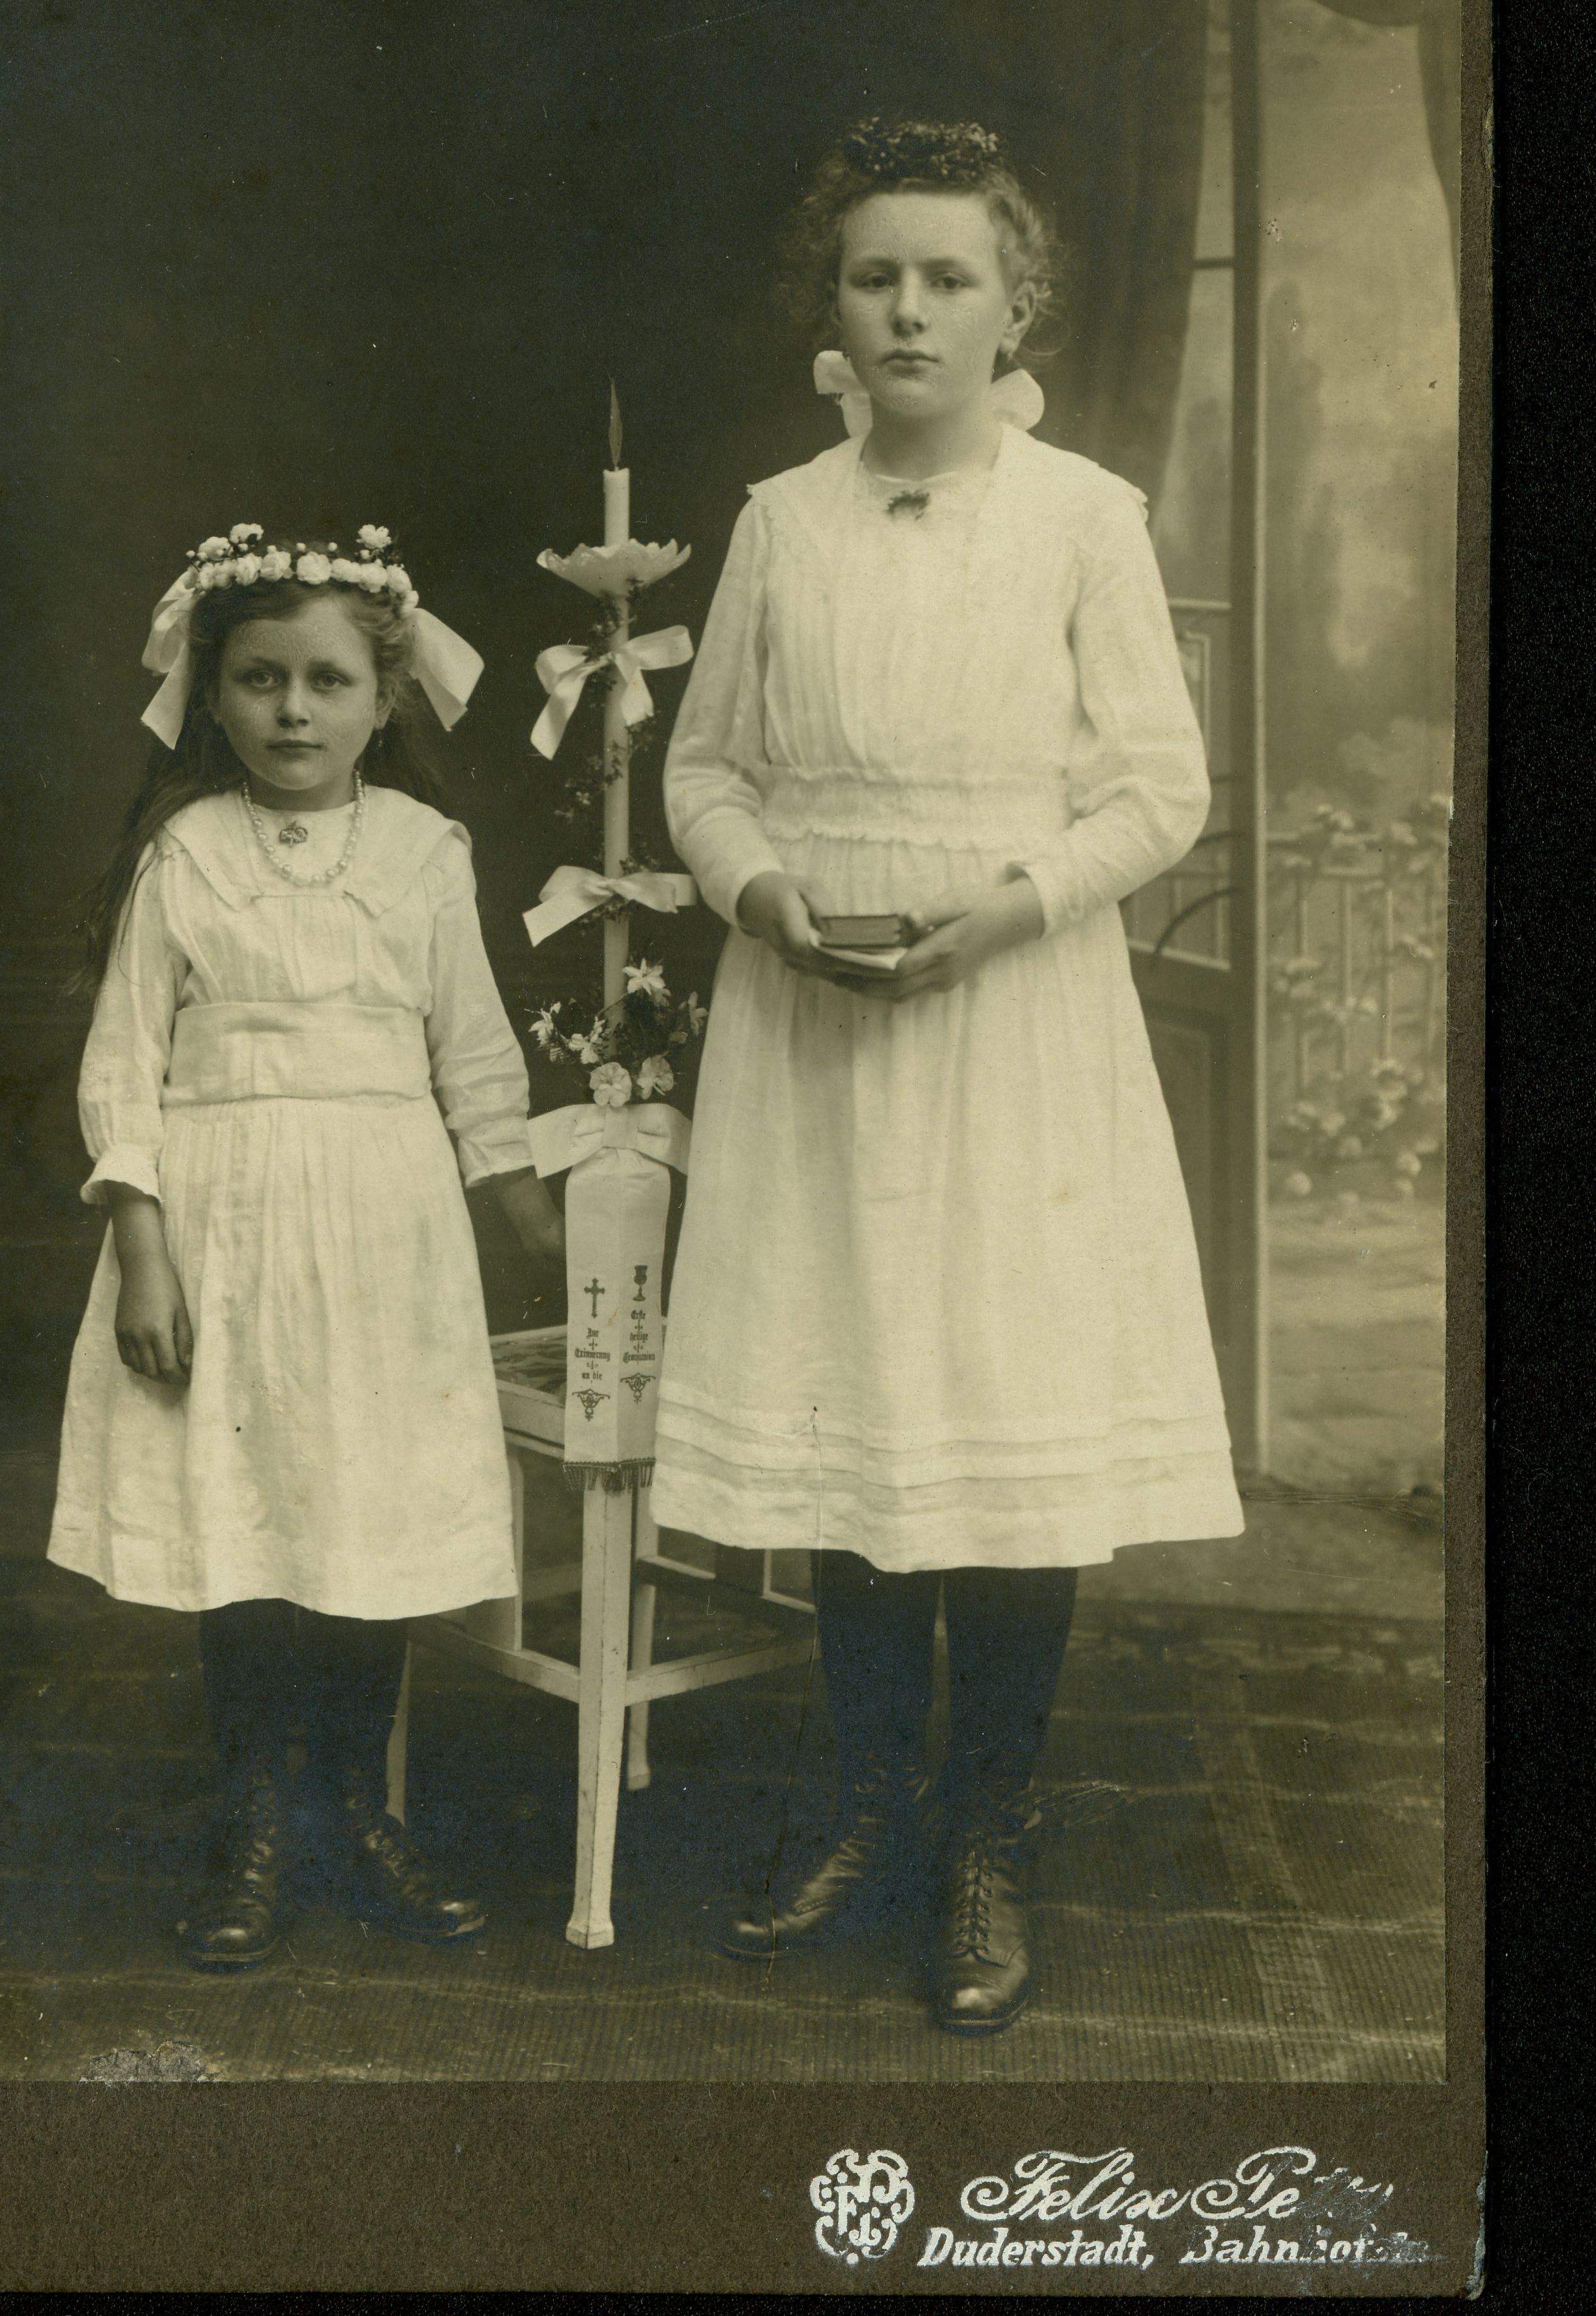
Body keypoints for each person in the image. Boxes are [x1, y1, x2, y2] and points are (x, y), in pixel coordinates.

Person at [655, 119, 1246, 2035]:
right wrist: (762, 897)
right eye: (874, 277)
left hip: (1011, 1022)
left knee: (995, 1420)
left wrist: (1005, 913)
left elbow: (1157, 788)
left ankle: (986, 1831)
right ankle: (864, 1802)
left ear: (1013, 309)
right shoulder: (777, 519)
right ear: (830, 309)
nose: (907, 310)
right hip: (816, 1019)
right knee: (855, 1409)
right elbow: (702, 768)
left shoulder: (1082, 516)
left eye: (947, 278)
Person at [49, 523, 563, 1969]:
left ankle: (349, 1808)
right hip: (221, 1223)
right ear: (212, 694)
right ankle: (255, 1820)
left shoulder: (421, 852)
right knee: (248, 1522)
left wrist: (534, 1217)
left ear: (382, 700)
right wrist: (144, 1249)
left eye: (327, 681)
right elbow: (122, 1062)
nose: (293, 710)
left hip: (385, 1229)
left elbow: (475, 1053)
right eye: (260, 679)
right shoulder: (186, 853)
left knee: (358, 1515)